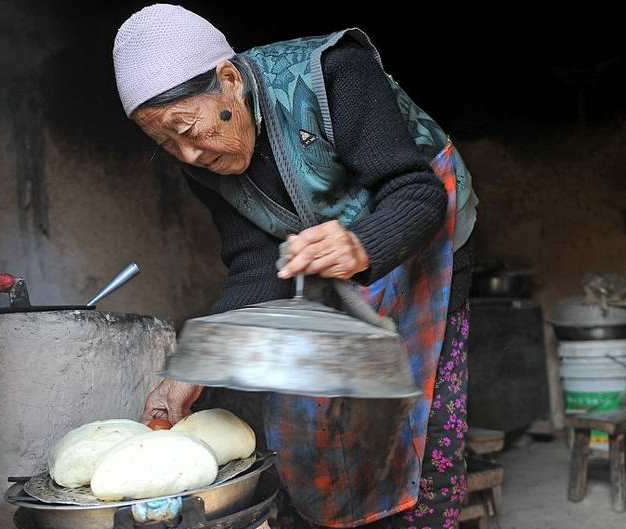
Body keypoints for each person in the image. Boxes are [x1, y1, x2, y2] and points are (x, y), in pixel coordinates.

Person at [113, 4, 477, 528]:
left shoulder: (332, 75)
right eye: (166, 144)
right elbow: (256, 264)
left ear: (230, 79)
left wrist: (362, 245)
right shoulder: (204, 164)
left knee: (419, 414)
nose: (188, 155)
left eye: (187, 128)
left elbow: (415, 192)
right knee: (316, 418)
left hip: (420, 231)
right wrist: (198, 362)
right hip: (330, 254)